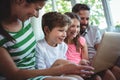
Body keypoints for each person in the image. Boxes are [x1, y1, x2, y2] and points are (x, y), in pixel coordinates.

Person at [0, 0, 95, 80]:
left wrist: (75, 66)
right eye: (37, 9)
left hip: (34, 71)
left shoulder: (23, 21)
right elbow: (14, 74)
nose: (36, 15)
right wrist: (61, 70)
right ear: (20, 1)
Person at [72, 3, 116, 80]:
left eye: (87, 19)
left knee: (116, 70)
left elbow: (100, 49)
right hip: (83, 63)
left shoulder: (94, 30)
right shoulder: (71, 33)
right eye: (82, 18)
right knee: (105, 75)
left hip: (96, 62)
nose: (85, 22)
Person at [35, 11, 84, 80]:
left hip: (60, 75)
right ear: (47, 30)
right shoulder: (39, 47)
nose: (64, 35)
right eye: (61, 30)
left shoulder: (63, 46)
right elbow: (41, 73)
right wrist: (58, 63)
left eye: (65, 31)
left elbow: (63, 69)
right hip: (46, 77)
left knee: (79, 78)